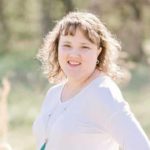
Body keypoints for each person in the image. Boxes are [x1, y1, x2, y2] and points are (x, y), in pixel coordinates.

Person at [32, 11, 150, 150]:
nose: (74, 54)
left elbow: (140, 146)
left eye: (84, 47)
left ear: (98, 51)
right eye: (67, 45)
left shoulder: (103, 92)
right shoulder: (53, 93)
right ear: (57, 47)